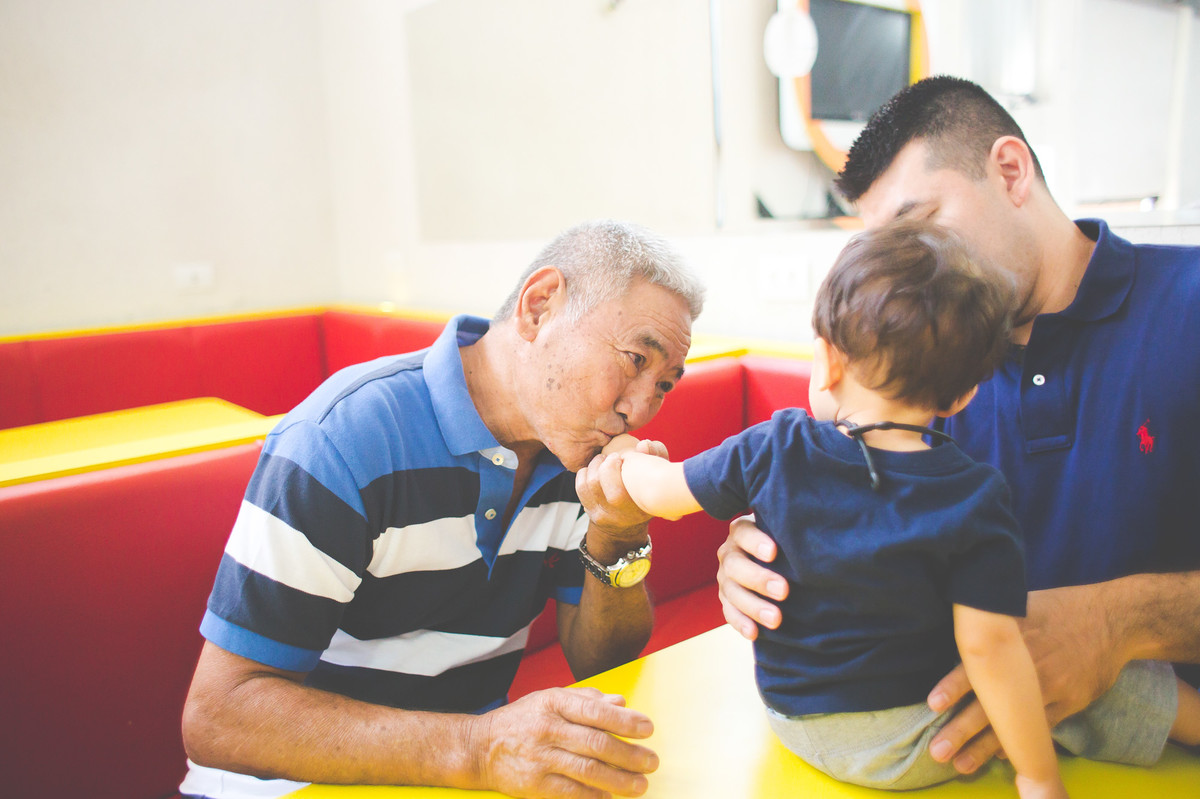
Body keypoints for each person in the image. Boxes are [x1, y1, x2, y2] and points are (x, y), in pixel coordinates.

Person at [716, 75, 1200, 776]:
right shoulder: (905, 379)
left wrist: (1120, 621)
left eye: (921, 227)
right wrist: (766, 560)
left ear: (1010, 170)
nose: (908, 277)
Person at [179, 219, 706, 799]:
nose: (640, 409)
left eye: (665, 385)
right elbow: (220, 716)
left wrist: (616, 533)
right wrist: (477, 749)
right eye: (635, 360)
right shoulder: (344, 438)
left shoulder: (577, 452)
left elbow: (599, 659)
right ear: (538, 307)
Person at [588, 219, 1070, 794]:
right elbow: (989, 646)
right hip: (911, 745)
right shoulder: (975, 494)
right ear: (962, 394)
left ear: (829, 359)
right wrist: (1038, 777)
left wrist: (622, 456)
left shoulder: (777, 445)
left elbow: (663, 494)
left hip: (792, 719)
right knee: (1093, 683)